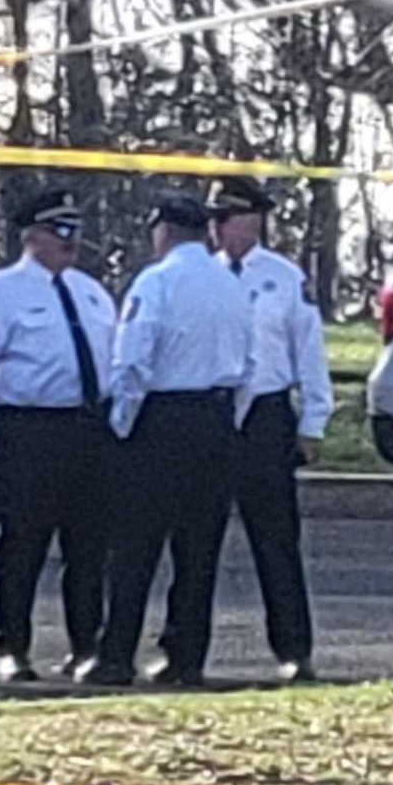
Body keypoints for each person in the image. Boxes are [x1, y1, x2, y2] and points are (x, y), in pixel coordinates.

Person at [0, 186, 117, 682]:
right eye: (60, 231)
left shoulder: (91, 293)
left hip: (88, 430)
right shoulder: (0, 293)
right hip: (29, 430)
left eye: (75, 231)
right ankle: (13, 647)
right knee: (22, 543)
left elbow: (115, 361)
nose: (70, 241)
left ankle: (86, 645)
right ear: (32, 236)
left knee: (88, 546)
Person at [91, 192, 251, 687]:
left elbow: (134, 360)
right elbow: (249, 366)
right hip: (218, 421)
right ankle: (187, 658)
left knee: (135, 547)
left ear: (162, 230)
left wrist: (122, 422)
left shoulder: (156, 281)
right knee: (199, 551)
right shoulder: (230, 284)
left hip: (163, 420)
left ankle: (117, 656)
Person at [209, 179, 331, 682]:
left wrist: (314, 419)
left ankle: (294, 650)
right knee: (198, 541)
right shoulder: (200, 277)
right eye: (215, 218)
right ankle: (182, 649)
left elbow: (310, 351)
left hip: (266, 415)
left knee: (276, 540)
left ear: (255, 221)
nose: (219, 228)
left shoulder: (284, 278)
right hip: (213, 414)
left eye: (230, 218)